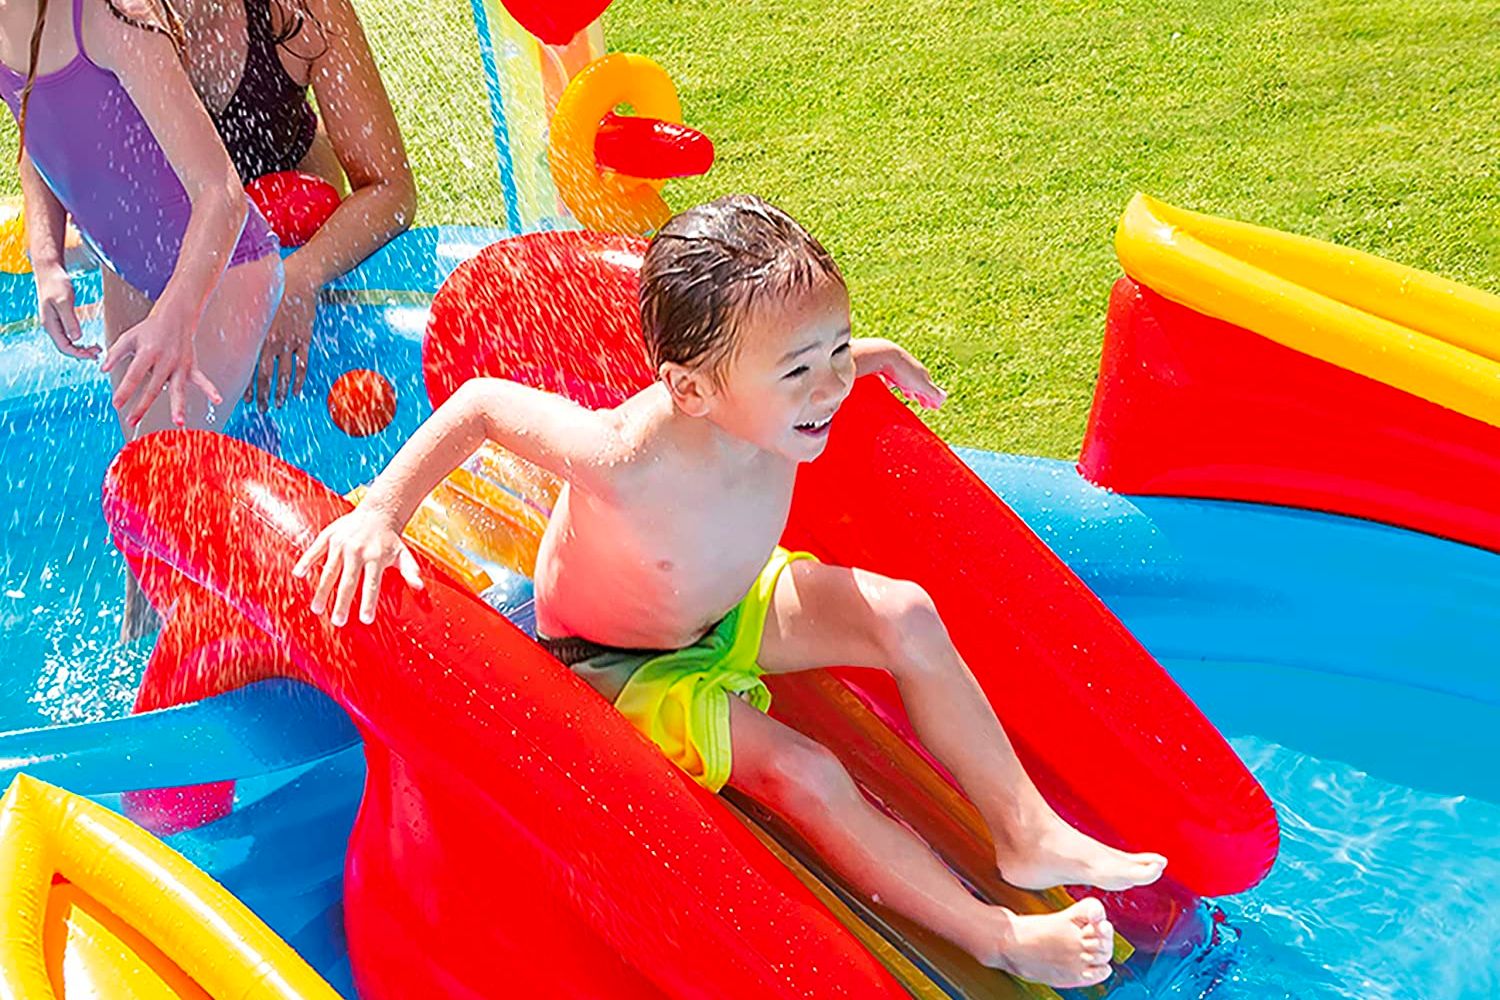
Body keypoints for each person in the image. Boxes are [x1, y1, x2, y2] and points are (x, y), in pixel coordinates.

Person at [294, 195, 1166, 989]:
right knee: (806, 772)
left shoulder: (759, 397)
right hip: (622, 665)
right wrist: (380, 515)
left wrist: (867, 358)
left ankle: (1022, 829)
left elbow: (801, 369)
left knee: (907, 610)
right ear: (689, 390)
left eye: (835, 350)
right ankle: (994, 934)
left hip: (730, 604)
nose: (829, 387)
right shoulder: (625, 458)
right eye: (802, 372)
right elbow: (480, 404)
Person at [2, 0, 283, 637]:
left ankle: (206, 669)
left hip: (221, 274)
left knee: (162, 493)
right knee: (144, 511)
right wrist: (47, 260)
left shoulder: (107, 19)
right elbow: (35, 135)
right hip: (129, 275)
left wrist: (177, 318)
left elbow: (221, 194)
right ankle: (143, 668)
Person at [177, 0, 415, 409]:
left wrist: (304, 271)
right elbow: (40, 101)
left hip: (294, 209)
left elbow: (390, 189)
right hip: (178, 230)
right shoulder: (115, 19)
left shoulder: (305, 12)